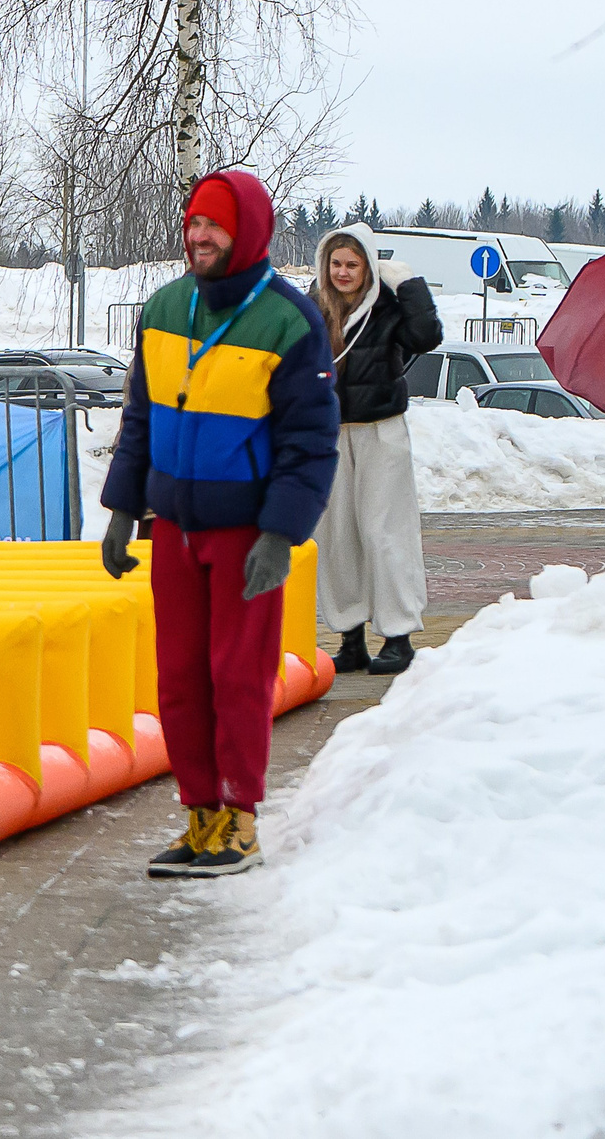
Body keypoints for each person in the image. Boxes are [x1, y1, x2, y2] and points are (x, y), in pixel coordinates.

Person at [100, 168, 339, 879]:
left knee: (237, 677)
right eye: (192, 223)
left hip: (244, 534)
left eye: (213, 224)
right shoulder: (167, 308)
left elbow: (310, 444)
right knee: (178, 678)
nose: (198, 235)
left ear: (248, 233)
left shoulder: (289, 322)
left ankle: (239, 820)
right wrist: (121, 509)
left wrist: (280, 534)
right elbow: (140, 416)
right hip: (173, 526)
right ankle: (199, 814)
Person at [311, 223, 442, 677]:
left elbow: (427, 337)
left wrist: (408, 284)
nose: (343, 272)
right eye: (337, 264)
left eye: (352, 264)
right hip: (331, 433)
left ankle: (398, 635)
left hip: (381, 430)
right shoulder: (316, 308)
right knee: (337, 535)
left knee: (385, 531)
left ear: (368, 267)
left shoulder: (386, 307)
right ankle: (349, 637)